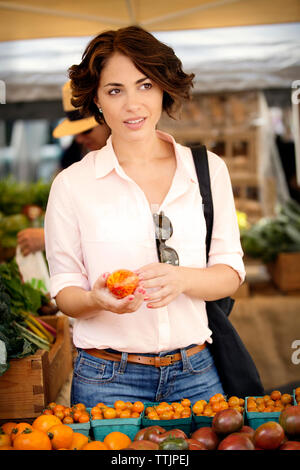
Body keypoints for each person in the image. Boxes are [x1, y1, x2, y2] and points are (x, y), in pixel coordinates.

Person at [44, 26, 246, 407]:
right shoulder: (72, 185)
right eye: (115, 90)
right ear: (97, 101)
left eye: (145, 85)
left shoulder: (207, 170)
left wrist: (183, 278)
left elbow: (230, 272)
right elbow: (64, 292)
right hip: (107, 381)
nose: (132, 105)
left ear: (163, 89)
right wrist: (96, 299)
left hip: (197, 374)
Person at [17, 81, 111, 256]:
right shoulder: (77, 156)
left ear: (107, 120)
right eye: (76, 133)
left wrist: (49, 238)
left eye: (86, 130)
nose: (79, 139)